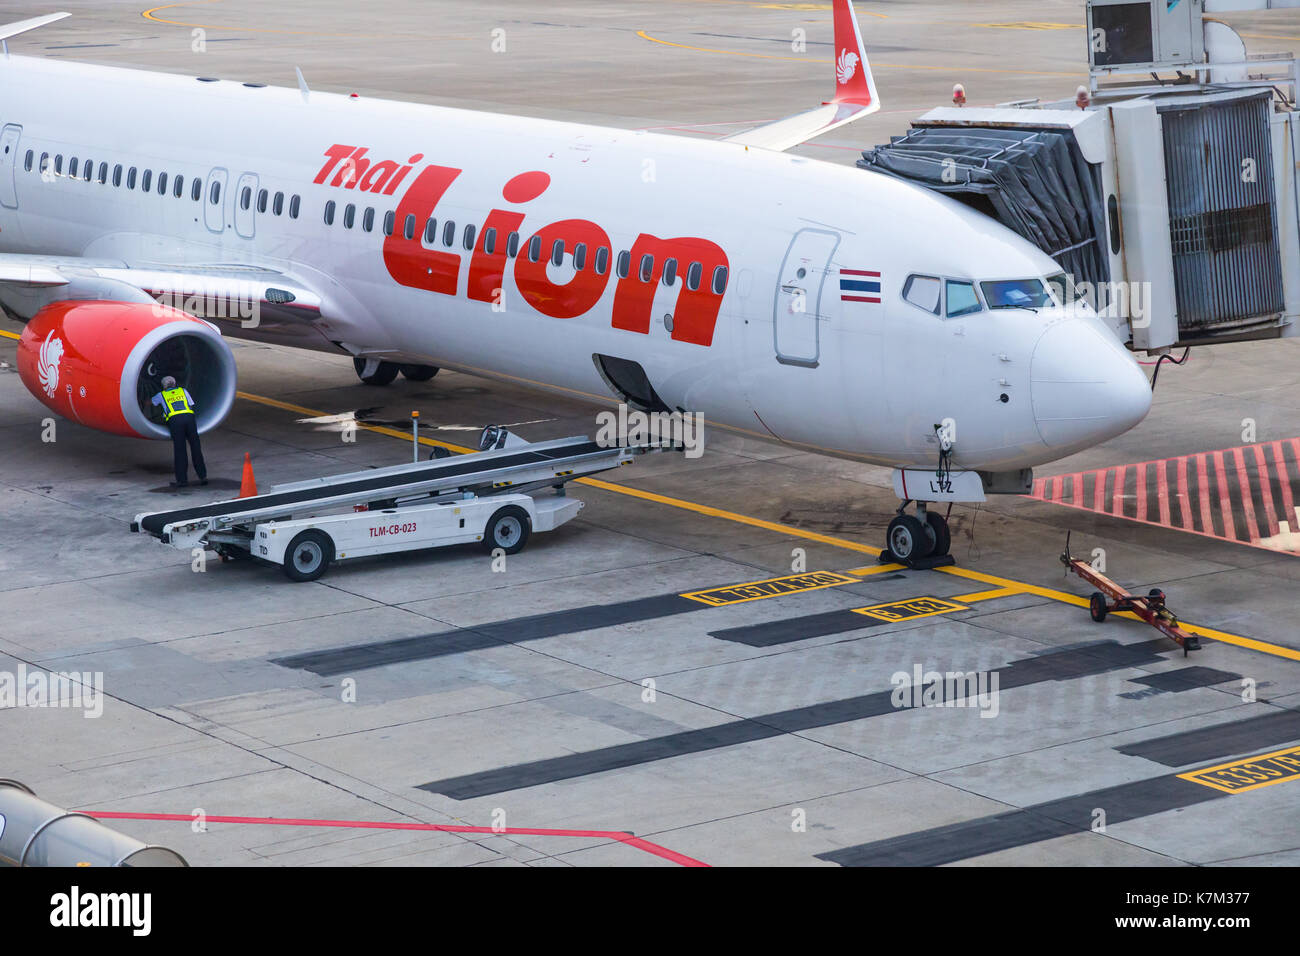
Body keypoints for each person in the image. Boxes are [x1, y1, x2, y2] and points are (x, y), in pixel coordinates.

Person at [151, 375, 208, 488]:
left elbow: (151, 403)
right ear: (175, 383)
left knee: (180, 450)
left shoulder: (161, 395)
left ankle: (182, 480)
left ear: (163, 386)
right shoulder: (183, 391)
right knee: (196, 447)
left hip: (175, 422)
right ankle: (203, 477)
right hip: (189, 419)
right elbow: (191, 404)